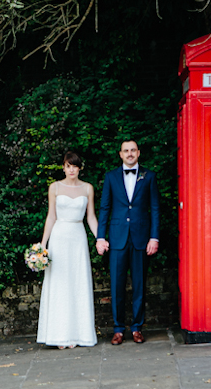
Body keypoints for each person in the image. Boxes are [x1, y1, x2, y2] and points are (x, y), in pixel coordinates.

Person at [96, 140, 160, 345]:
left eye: (133, 150)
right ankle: (118, 329)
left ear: (139, 153)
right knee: (117, 285)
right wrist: (100, 237)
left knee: (140, 284)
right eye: (126, 151)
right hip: (117, 238)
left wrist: (154, 237)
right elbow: (105, 208)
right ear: (120, 154)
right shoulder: (111, 177)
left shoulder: (149, 176)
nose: (130, 153)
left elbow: (155, 209)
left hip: (141, 238)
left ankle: (137, 327)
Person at [36, 151, 98, 349]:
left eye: (75, 166)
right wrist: (43, 244)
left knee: (77, 283)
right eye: (68, 166)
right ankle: (59, 335)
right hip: (59, 237)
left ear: (80, 168)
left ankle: (78, 335)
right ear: (63, 167)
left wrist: (101, 238)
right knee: (60, 284)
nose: (72, 169)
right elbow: (51, 217)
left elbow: (91, 217)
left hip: (78, 237)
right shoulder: (54, 187)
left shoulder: (88, 188)